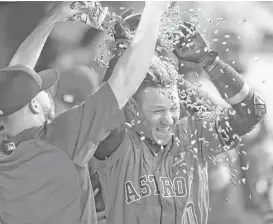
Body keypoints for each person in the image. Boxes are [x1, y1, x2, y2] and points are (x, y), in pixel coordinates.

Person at [0, 1, 169, 224]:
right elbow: (126, 80)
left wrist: (52, 19)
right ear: (34, 105)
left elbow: (14, 82)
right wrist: (154, 12)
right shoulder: (60, 139)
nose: (48, 92)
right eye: (43, 90)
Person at [92, 20, 267, 224]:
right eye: (157, 111)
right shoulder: (116, 147)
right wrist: (125, 52)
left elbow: (251, 112)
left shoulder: (193, 136)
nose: (168, 120)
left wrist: (207, 61)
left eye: (173, 109)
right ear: (132, 108)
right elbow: (106, 107)